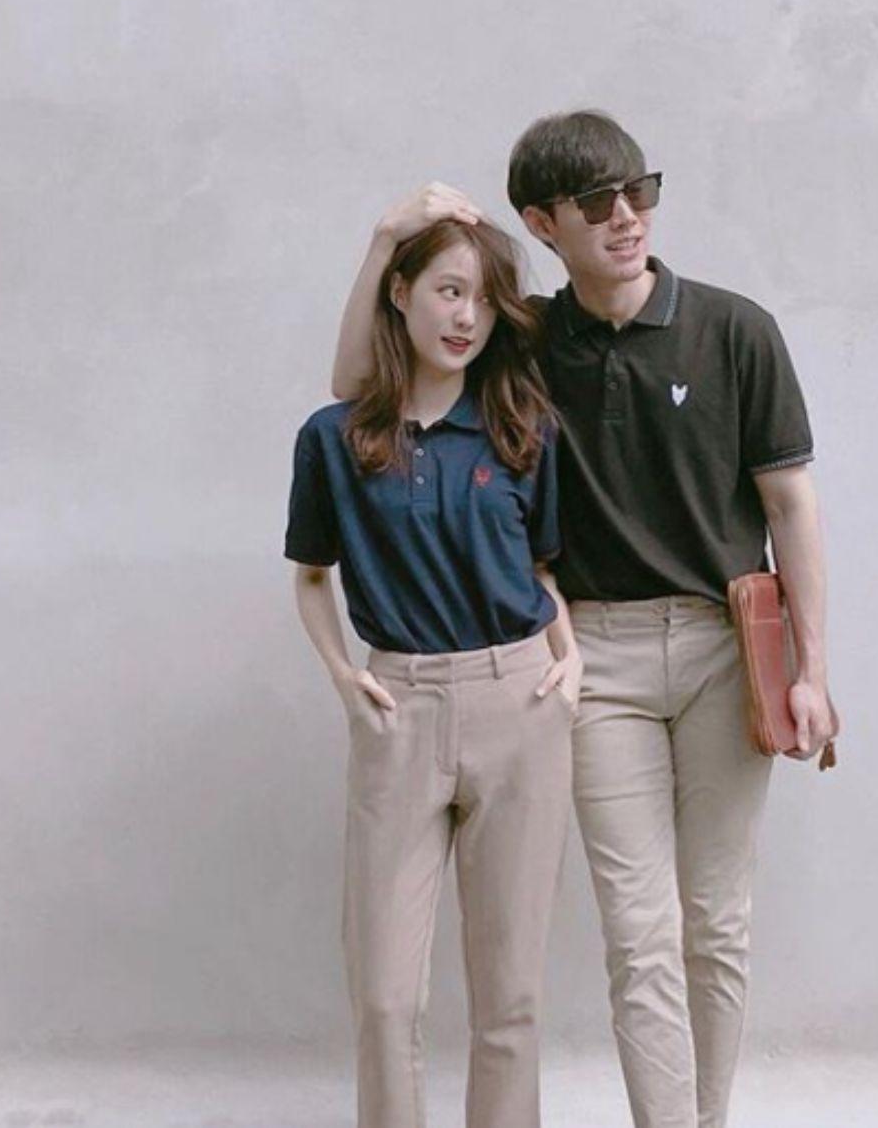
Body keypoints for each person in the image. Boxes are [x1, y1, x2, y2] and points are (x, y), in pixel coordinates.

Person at [330, 111, 838, 1128]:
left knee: (714, 923)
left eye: (638, 192)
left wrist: (810, 672)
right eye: (596, 202)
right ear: (541, 223)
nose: (625, 217)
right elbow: (357, 391)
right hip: (593, 661)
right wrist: (386, 240)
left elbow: (790, 506)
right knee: (639, 933)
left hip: (724, 650)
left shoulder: (735, 330)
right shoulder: (523, 343)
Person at [286, 215, 581, 1128]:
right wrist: (345, 675)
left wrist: (569, 657)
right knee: (383, 998)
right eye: (449, 291)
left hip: (521, 702)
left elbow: (542, 571)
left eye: (485, 300)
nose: (466, 317)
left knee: (511, 998)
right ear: (401, 292)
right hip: (399, 709)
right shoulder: (335, 438)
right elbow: (310, 576)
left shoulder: (523, 428)